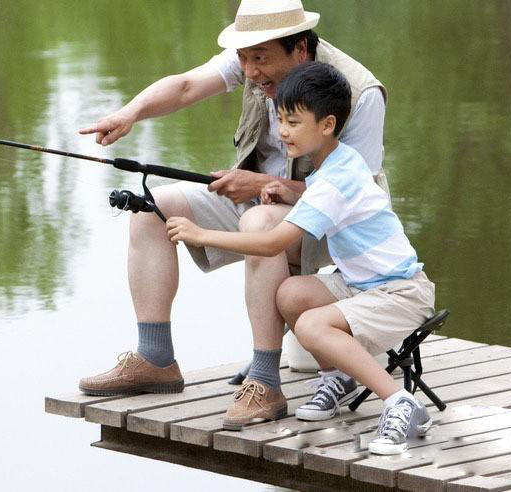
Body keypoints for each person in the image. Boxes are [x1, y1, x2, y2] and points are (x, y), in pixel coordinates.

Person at [76, 0, 388, 411]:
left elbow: (358, 198)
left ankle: (265, 381)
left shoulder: (360, 93)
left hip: (333, 229)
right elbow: (186, 86)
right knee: (151, 207)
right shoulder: (253, 60)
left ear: (299, 49)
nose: (251, 71)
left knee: (261, 222)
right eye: (244, 59)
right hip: (260, 205)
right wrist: (129, 113)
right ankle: (155, 360)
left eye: (260, 59)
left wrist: (259, 187)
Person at [166, 62, 436, 454]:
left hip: (399, 294)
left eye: (293, 121)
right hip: (362, 285)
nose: (283, 131)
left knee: (310, 325)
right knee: (290, 293)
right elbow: (319, 192)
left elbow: (274, 242)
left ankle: (400, 403)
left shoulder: (334, 179)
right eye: (279, 120)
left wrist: (200, 233)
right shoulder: (338, 161)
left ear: (327, 124)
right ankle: (339, 378)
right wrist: (290, 192)